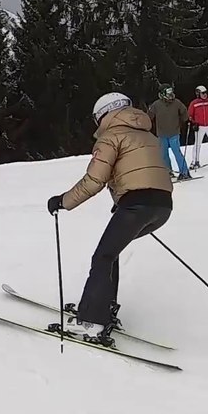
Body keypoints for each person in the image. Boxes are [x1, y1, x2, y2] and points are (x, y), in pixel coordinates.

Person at [46, 92, 174, 344]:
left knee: (102, 257)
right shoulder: (148, 136)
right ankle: (102, 308)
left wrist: (63, 201)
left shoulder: (111, 137)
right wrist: (125, 202)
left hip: (137, 206)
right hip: (163, 206)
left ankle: (92, 321)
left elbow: (94, 180)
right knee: (110, 253)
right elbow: (149, 172)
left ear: (104, 115)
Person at [147, 86, 192, 181]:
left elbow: (184, 112)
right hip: (162, 134)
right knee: (164, 154)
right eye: (168, 93)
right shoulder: (156, 104)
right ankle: (168, 172)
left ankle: (184, 172)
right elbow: (149, 116)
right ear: (163, 94)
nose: (171, 95)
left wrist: (186, 119)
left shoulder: (177, 103)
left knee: (177, 153)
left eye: (171, 92)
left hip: (174, 133)